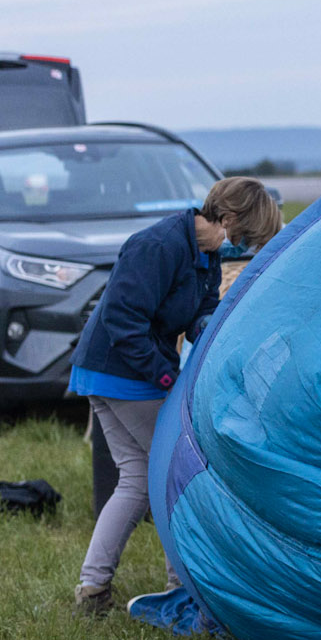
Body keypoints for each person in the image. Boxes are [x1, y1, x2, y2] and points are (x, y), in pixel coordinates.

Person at [69, 177, 281, 616]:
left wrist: (207, 329)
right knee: (176, 473)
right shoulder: (158, 246)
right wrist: (166, 377)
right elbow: (121, 318)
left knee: (138, 480)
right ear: (228, 218)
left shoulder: (202, 255)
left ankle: (93, 589)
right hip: (119, 373)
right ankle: (182, 588)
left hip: (117, 372)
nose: (239, 246)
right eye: (242, 236)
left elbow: (199, 311)